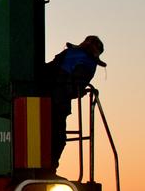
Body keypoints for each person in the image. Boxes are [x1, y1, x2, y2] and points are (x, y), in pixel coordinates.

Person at [45, 35, 106, 168]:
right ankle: (49, 168)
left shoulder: (68, 53)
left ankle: (45, 167)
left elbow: (48, 69)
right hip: (59, 102)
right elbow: (76, 85)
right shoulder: (88, 62)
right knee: (58, 139)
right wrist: (81, 91)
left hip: (42, 98)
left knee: (47, 135)